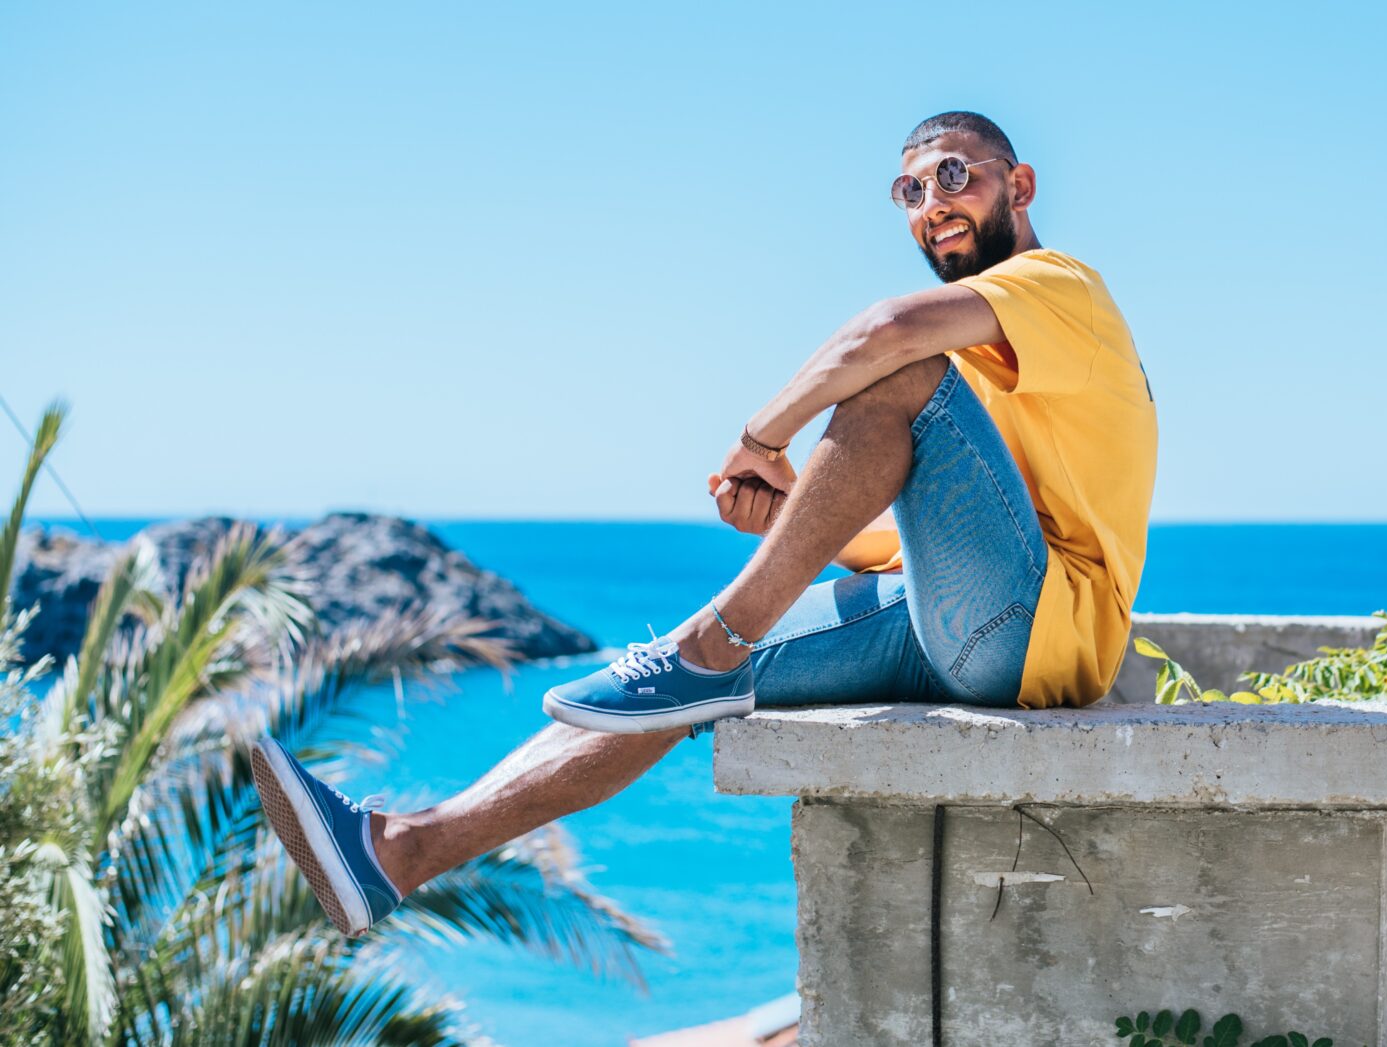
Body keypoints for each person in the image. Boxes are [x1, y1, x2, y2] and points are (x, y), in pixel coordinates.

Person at [250, 110, 1159, 937]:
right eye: (910, 191)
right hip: (974, 623)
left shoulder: (1061, 286)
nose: (932, 204)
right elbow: (912, 545)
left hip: (1042, 628)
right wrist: (795, 509)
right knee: (671, 690)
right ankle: (398, 851)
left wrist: (760, 437)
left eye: (956, 176)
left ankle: (711, 641)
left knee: (893, 372)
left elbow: (880, 334)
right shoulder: (991, 355)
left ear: (1022, 186)